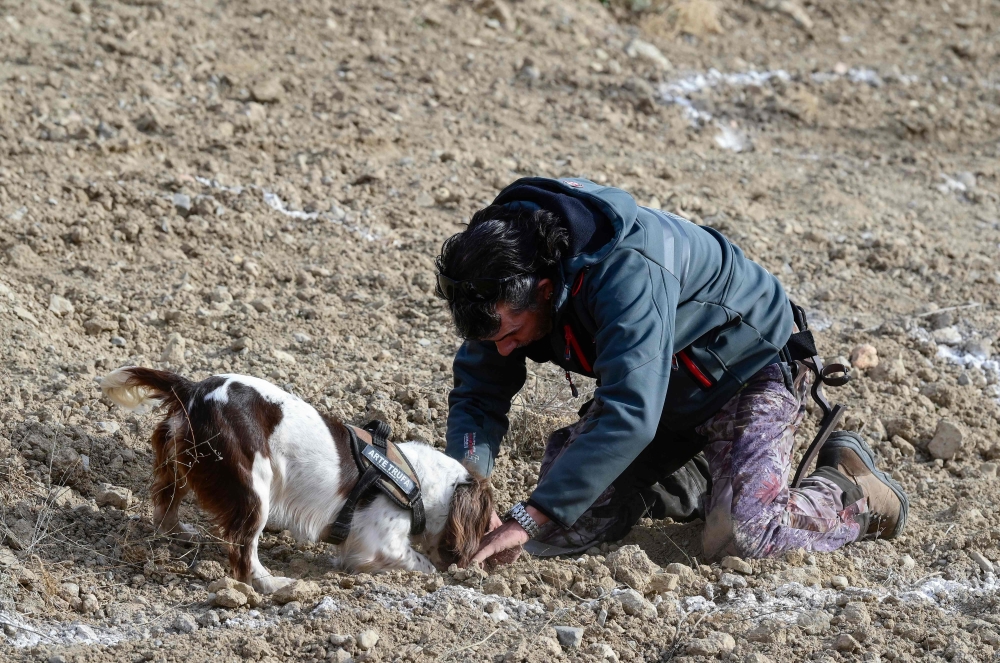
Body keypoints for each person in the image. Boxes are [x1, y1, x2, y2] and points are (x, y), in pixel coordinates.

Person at [435, 176, 908, 565]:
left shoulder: (624, 271)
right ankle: (702, 474)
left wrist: (527, 515)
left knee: (741, 537)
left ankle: (852, 492)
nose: (503, 350)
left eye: (511, 334)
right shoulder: (498, 274)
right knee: (563, 526)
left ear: (542, 290)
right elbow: (479, 390)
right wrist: (468, 487)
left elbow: (629, 414)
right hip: (668, 388)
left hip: (749, 372)